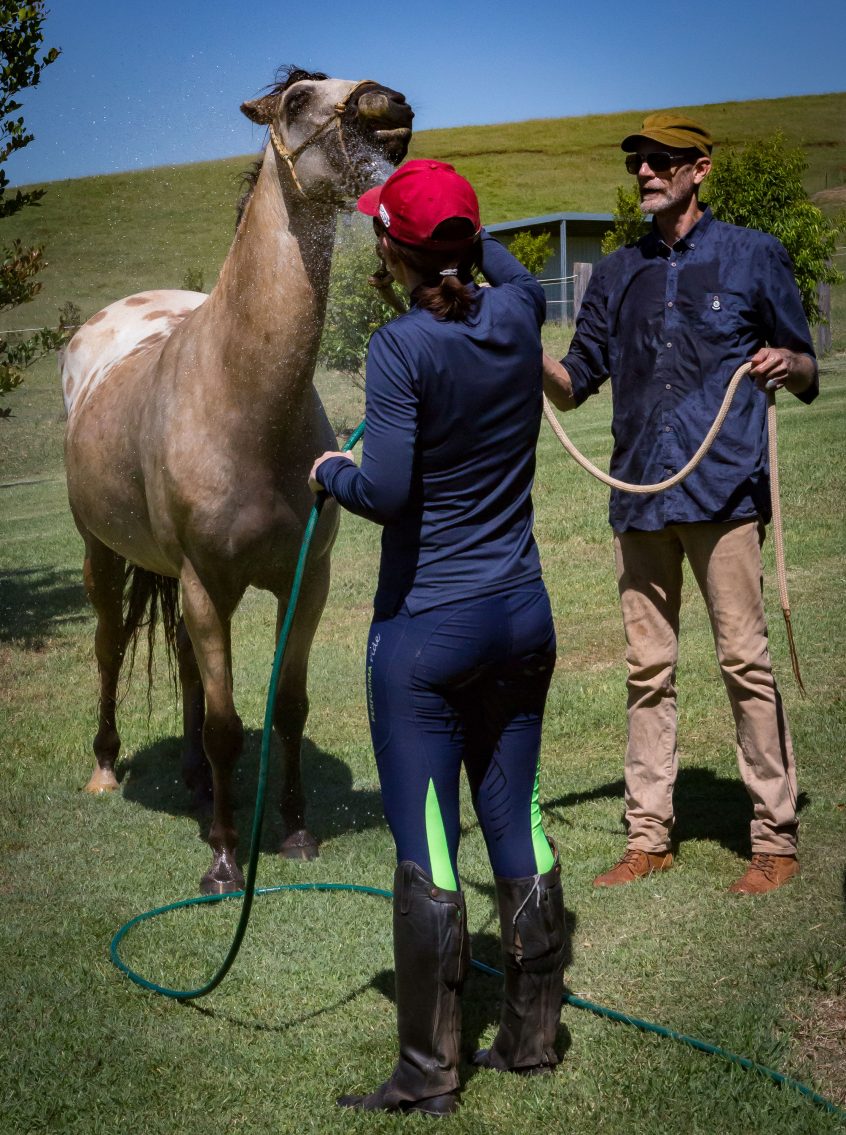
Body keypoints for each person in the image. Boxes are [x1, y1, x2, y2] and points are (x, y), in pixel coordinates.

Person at [309, 159, 566, 1116]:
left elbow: (389, 492)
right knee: (520, 817)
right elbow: (502, 265)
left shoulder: (398, 346)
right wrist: (459, 222)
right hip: (523, 616)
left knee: (428, 840)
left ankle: (427, 1073)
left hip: (427, 635)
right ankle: (534, 1034)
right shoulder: (520, 313)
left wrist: (331, 470)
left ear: (392, 249)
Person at [543, 113, 817, 896]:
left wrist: (784, 360)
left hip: (723, 489)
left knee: (744, 661)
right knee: (647, 670)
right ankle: (648, 836)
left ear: (700, 169)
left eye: (660, 161)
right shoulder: (619, 272)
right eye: (637, 162)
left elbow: (806, 368)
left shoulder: (752, 255)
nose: (644, 173)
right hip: (640, 496)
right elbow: (576, 380)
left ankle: (774, 837)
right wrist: (518, 347)